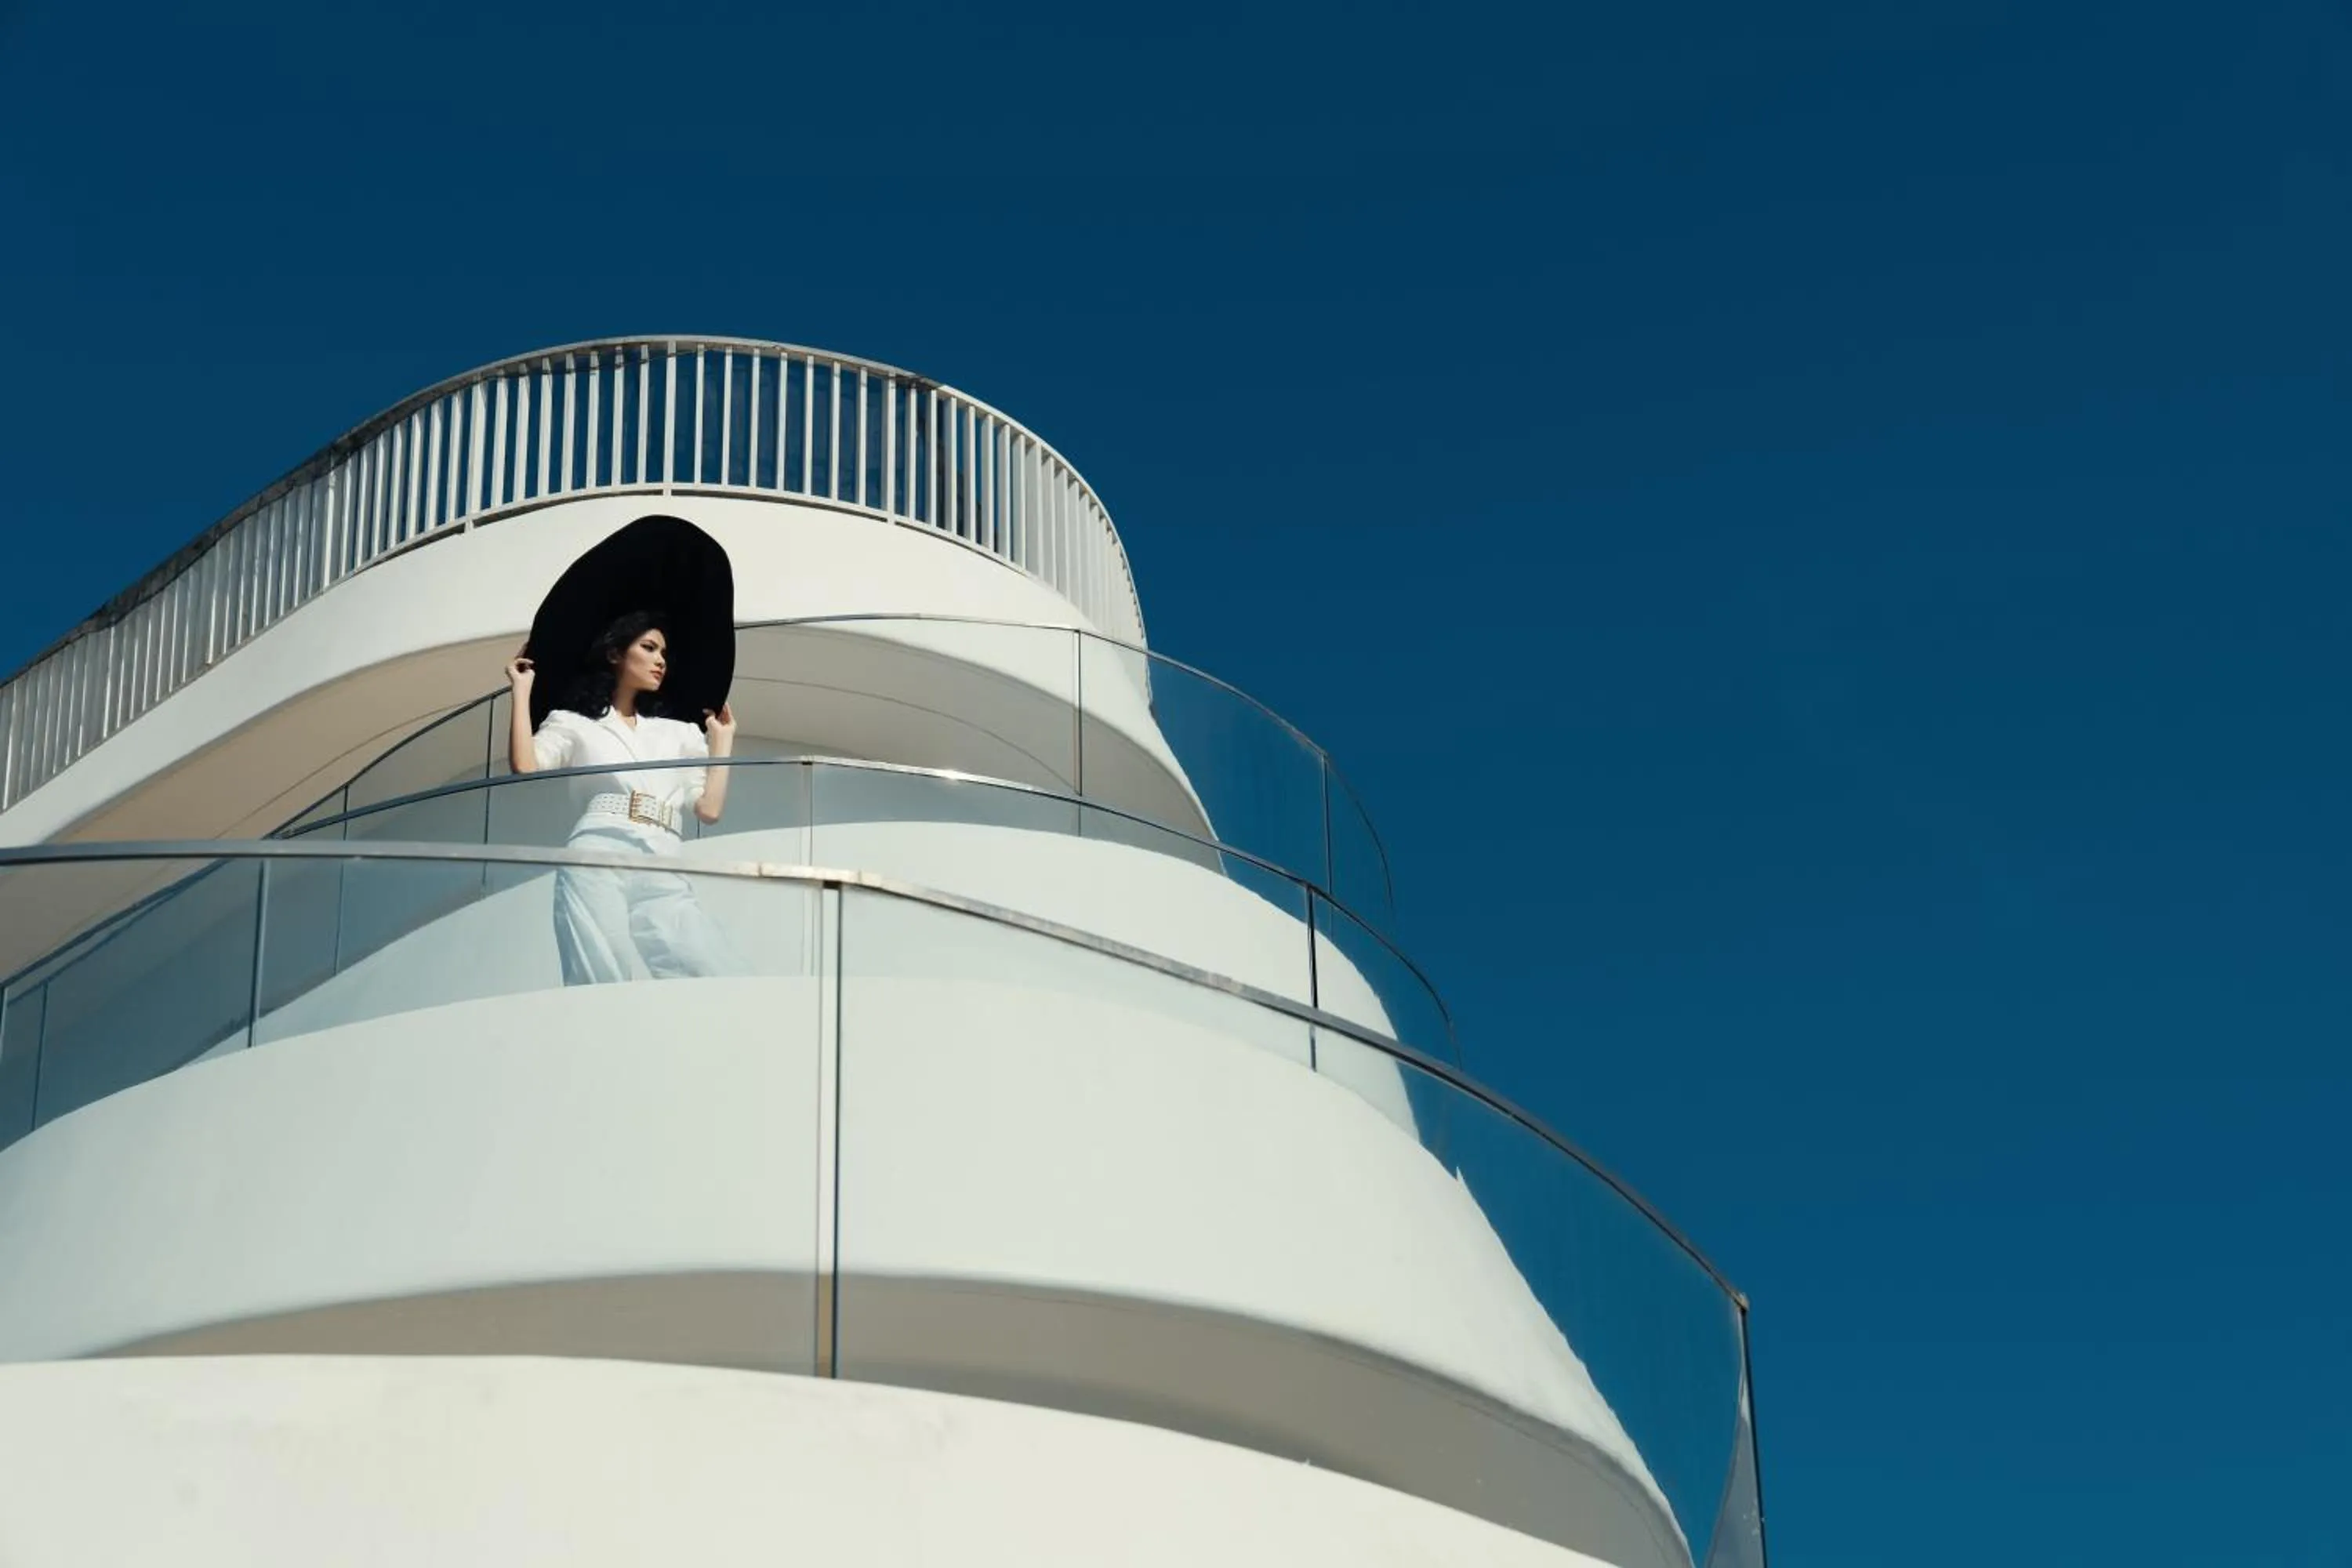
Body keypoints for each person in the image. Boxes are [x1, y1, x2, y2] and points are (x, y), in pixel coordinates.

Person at [503, 612, 743, 984]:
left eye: (663, 652)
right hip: (597, 847)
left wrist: (723, 741)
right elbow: (526, 764)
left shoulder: (678, 733)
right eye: (648, 648)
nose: (660, 660)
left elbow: (708, 810)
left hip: (663, 854)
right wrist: (520, 691)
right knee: (600, 975)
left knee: (706, 965)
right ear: (615, 654)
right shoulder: (573, 723)